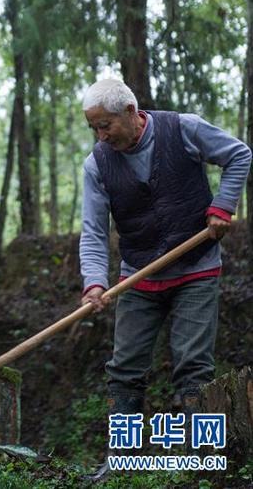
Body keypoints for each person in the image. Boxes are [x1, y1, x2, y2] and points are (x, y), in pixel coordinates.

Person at [79, 77, 251, 477]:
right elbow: (93, 232)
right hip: (138, 276)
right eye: (94, 129)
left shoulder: (183, 129)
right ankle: (122, 463)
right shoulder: (97, 164)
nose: (101, 136)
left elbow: (239, 155)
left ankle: (202, 462)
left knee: (193, 366)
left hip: (197, 267)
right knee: (124, 370)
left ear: (130, 112)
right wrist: (94, 282)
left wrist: (223, 207)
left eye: (106, 125)